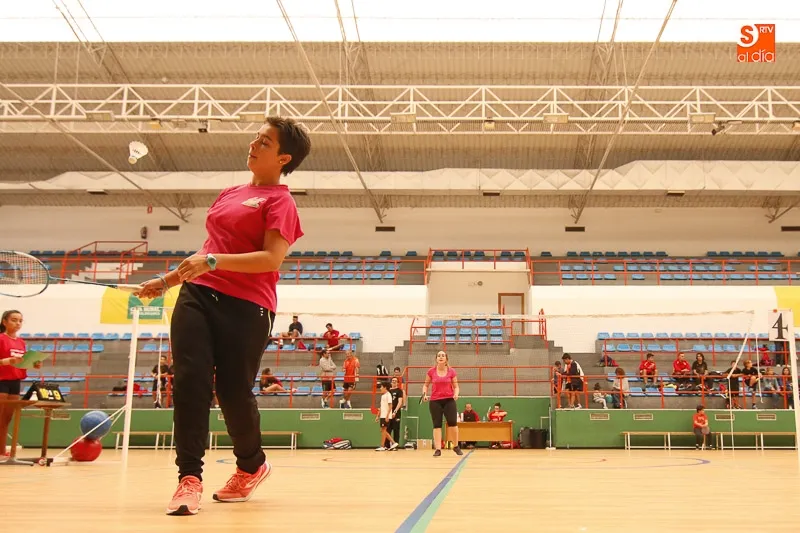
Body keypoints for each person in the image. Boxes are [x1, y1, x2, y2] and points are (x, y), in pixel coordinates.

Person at [134, 116, 311, 516]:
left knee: (233, 392)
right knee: (189, 381)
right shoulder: (230, 193)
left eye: (264, 142)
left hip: (247, 305)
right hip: (198, 294)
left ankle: (251, 465)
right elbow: (207, 248)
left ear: (284, 158)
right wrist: (166, 281)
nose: (253, 144)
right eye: (255, 138)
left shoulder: (281, 202)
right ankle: (189, 479)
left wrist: (214, 261)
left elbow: (271, 259)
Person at [0, 310, 41, 458]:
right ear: (4, 322)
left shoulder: (21, 342)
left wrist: (33, 364)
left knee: (7, 418)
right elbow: (7, 361)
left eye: (20, 321)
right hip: (1, 380)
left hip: (15, 381)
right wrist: (7, 361)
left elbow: (21, 363)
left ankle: (1, 451)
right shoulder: (1, 339)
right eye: (14, 320)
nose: (17, 323)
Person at [421, 351, 463, 457]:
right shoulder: (431, 371)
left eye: (443, 355)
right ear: (436, 359)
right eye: (439, 356)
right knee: (437, 425)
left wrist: (456, 394)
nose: (441, 357)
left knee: (453, 423)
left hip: (449, 400)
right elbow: (425, 385)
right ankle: (438, 449)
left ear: (446, 359)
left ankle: (456, 446)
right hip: (435, 401)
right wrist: (424, 394)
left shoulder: (451, 371)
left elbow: (456, 387)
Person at [375, 381, 398, 451]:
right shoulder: (383, 396)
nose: (380, 388)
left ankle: (382, 446)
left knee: (383, 430)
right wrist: (377, 416)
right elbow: (381, 407)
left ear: (385, 387)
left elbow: (390, 406)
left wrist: (387, 416)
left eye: (381, 387)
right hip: (382, 416)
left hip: (385, 416)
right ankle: (394, 443)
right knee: (383, 430)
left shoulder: (388, 395)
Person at [384, 376, 404, 448]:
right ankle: (387, 445)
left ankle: (395, 445)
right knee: (387, 429)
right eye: (393, 380)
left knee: (396, 429)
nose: (394, 382)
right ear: (391, 382)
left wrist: (395, 411)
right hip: (388, 413)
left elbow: (400, 402)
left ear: (397, 383)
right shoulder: (388, 391)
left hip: (396, 413)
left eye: (395, 381)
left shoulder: (399, 391)